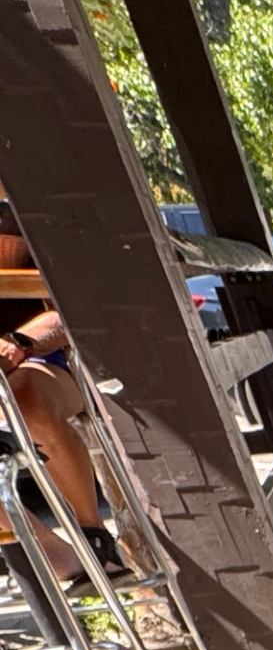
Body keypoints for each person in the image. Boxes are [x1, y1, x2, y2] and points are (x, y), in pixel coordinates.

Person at [0, 190, 132, 585]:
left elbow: (71, 307)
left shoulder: (25, 214)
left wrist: (18, 344)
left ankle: (92, 534)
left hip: (42, 357)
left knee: (27, 401)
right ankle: (57, 555)